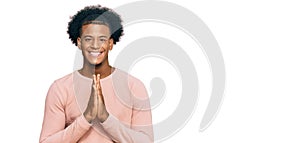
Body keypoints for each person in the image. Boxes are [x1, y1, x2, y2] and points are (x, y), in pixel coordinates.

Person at [39, 5, 153, 143]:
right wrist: (87, 117)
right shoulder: (60, 89)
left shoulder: (134, 86)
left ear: (111, 43)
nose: (95, 45)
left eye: (102, 39)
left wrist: (105, 117)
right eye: (88, 39)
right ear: (79, 43)